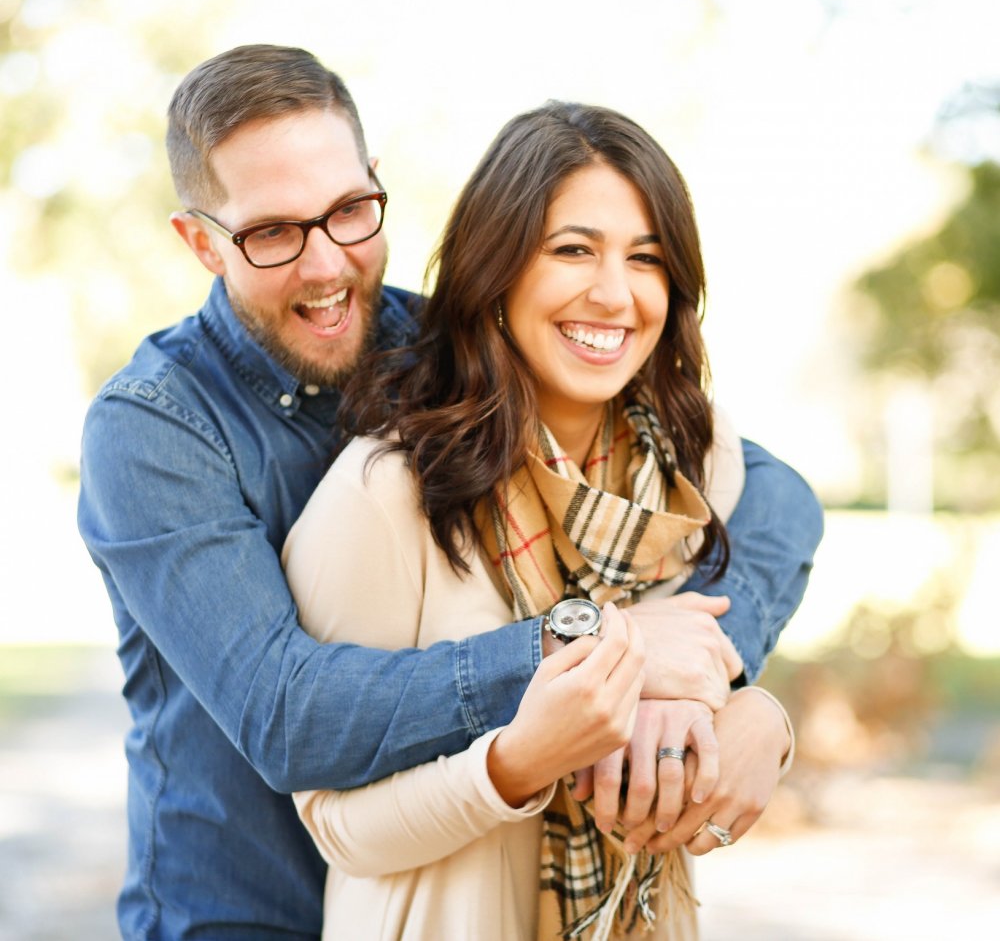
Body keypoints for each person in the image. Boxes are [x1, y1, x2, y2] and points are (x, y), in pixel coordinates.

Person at [77, 44, 823, 940]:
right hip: (239, 912)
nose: (325, 266)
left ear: (375, 187)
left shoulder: (447, 349)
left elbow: (774, 495)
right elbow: (287, 712)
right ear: (200, 240)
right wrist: (588, 649)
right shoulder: (155, 427)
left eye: (350, 211)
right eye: (272, 232)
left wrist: (713, 679)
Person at [282, 101, 798, 940]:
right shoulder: (387, 494)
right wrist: (519, 760)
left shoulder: (691, 464)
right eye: (572, 251)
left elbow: (708, 655)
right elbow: (336, 822)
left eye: (646, 258)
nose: (614, 293)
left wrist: (759, 719)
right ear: (499, 271)